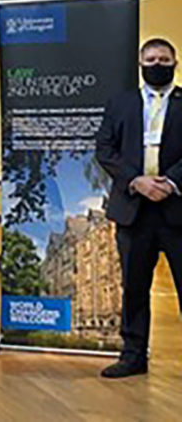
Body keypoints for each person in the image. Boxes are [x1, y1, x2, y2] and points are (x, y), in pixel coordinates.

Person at [96, 38, 182, 379]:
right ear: (140, 63)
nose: (157, 63)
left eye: (164, 58)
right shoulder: (121, 102)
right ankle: (133, 356)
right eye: (151, 58)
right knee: (134, 288)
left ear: (175, 62)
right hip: (133, 210)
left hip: (177, 208)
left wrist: (170, 183)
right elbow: (105, 148)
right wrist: (137, 181)